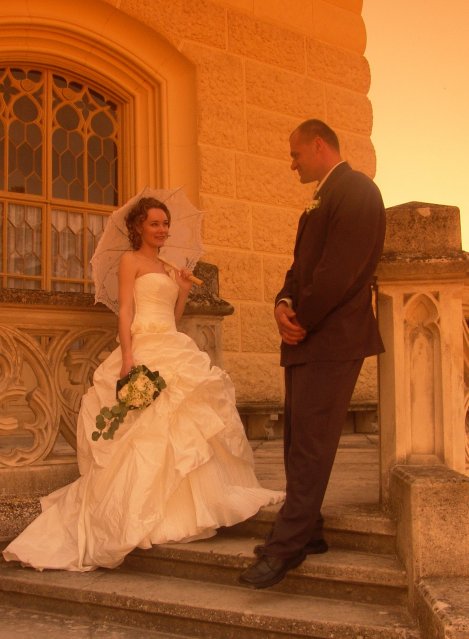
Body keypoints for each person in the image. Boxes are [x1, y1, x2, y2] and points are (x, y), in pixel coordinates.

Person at [3, 197, 284, 572]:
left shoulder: (169, 267)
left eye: (165, 223)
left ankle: (189, 509)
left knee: (186, 426)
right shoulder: (130, 261)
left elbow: (174, 318)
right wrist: (128, 357)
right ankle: (146, 513)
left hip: (171, 343)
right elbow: (125, 311)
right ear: (138, 227)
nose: (162, 229)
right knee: (145, 432)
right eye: (155, 223)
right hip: (143, 346)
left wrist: (182, 288)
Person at [239, 119, 386, 588]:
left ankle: (285, 549)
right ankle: (310, 531)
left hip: (333, 338)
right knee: (297, 439)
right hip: (308, 338)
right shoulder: (320, 199)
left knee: (311, 444)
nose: (292, 164)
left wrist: (301, 317)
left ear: (319, 145)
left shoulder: (358, 191)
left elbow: (339, 272)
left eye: (295, 154)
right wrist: (282, 303)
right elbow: (299, 269)